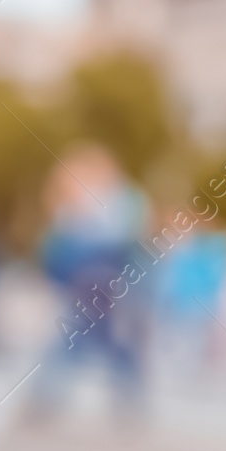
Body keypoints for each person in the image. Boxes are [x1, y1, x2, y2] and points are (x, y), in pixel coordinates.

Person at [32, 145, 149, 427]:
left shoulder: (122, 204)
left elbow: (120, 247)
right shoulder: (74, 210)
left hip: (109, 289)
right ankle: (46, 397)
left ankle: (126, 401)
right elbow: (57, 254)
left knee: (102, 342)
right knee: (82, 341)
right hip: (84, 289)